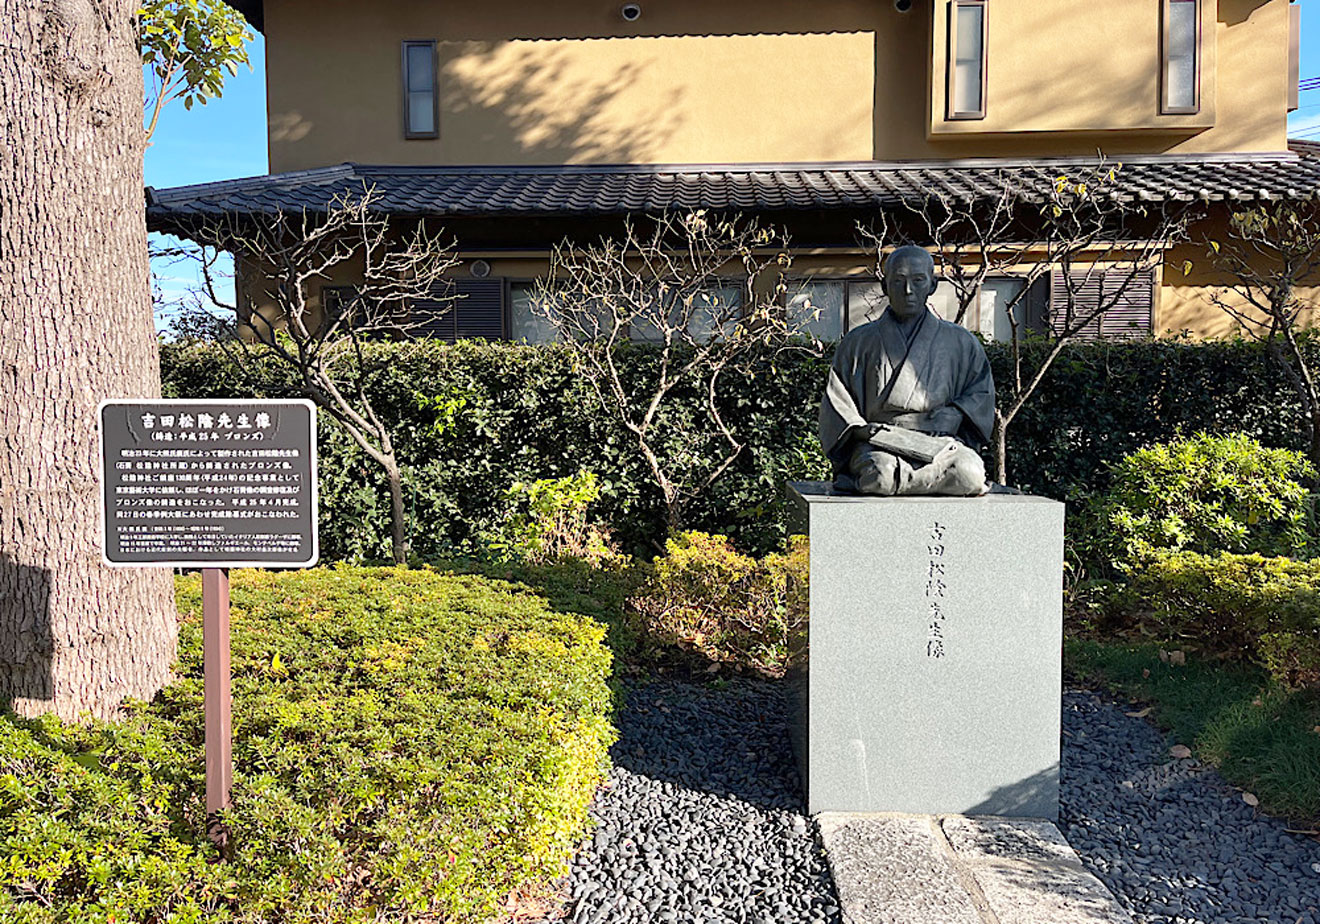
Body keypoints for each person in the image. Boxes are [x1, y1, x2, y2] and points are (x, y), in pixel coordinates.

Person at [818, 244, 994, 496]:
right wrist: (861, 429)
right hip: (880, 443)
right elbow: (838, 399)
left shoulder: (961, 341)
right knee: (880, 476)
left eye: (918, 280)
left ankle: (906, 480)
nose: (908, 290)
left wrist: (957, 413)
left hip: (939, 443)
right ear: (884, 286)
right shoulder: (858, 341)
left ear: (932, 285)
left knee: (970, 475)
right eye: (898, 280)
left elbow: (980, 392)